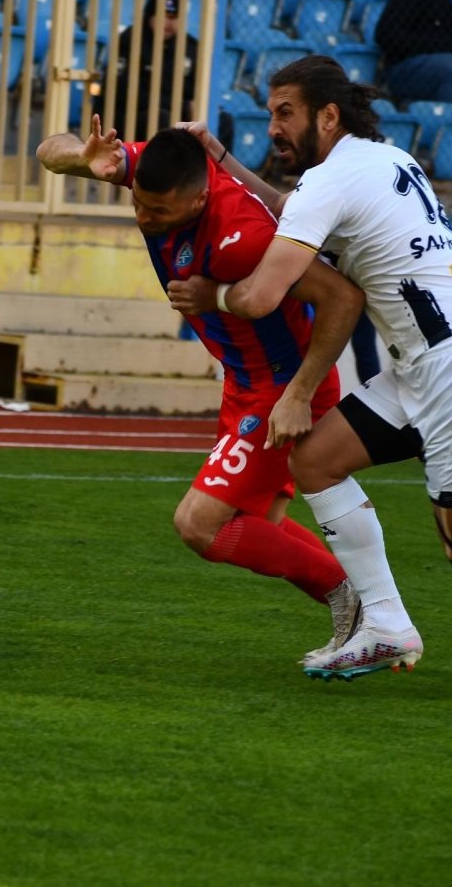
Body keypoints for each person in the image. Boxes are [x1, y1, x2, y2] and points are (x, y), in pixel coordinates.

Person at [168, 55, 452, 712]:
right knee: (316, 460)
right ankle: (386, 625)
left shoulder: (332, 180)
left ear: (327, 116)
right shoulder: (383, 161)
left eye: (285, 113)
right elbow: (293, 211)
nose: (273, 127)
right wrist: (222, 160)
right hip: (430, 364)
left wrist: (209, 293)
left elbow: (263, 292)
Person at [36, 115, 368, 659]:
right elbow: (50, 149)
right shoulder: (157, 171)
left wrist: (300, 393)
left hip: (280, 387)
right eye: (139, 203)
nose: (144, 216)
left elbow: (342, 298)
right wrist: (82, 158)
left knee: (200, 525)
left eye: (158, 211)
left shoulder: (245, 237)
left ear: (196, 202)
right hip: (243, 381)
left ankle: (362, 601)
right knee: (259, 526)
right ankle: (362, 609)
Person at [92, 0, 233, 149]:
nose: (169, 22)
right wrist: (184, 106)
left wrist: (195, 108)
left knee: (223, 120)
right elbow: (124, 92)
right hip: (132, 117)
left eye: (175, 17)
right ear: (150, 14)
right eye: (164, 15)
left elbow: (197, 94)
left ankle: (216, 172)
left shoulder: (190, 47)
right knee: (160, 118)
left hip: (178, 116)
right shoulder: (130, 41)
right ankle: (162, 172)